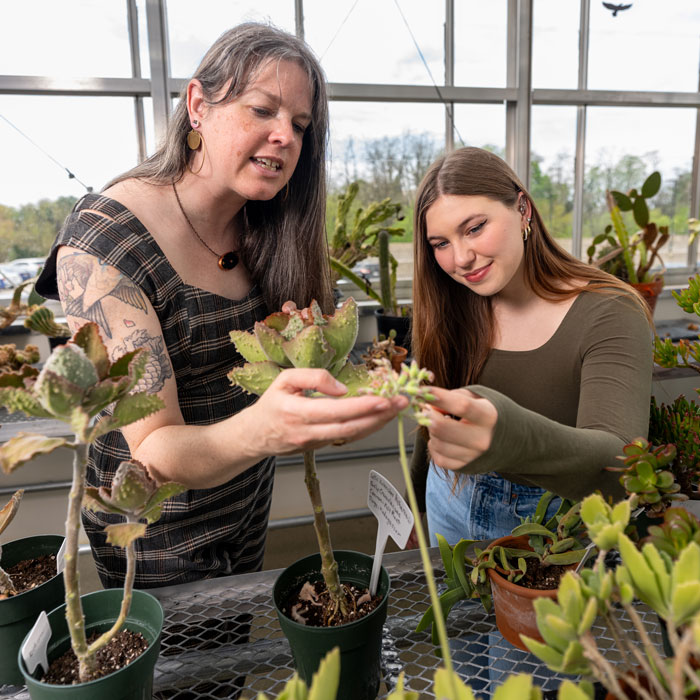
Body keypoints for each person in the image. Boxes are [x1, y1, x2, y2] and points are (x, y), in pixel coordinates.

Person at [36, 23, 407, 589]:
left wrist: (344, 402)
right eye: (263, 110)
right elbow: (153, 449)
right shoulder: (104, 243)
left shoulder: (270, 226)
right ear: (197, 106)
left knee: (232, 667)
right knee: (176, 677)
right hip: (152, 538)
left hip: (245, 508)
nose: (285, 135)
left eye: (300, 125)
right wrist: (269, 429)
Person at [408, 147, 653, 546]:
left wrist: (508, 436)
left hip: (556, 524)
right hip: (448, 497)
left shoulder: (610, 311)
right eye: (440, 244)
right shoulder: (447, 305)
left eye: (474, 228)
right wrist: (413, 505)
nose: (462, 259)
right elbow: (429, 420)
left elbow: (620, 461)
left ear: (523, 208)